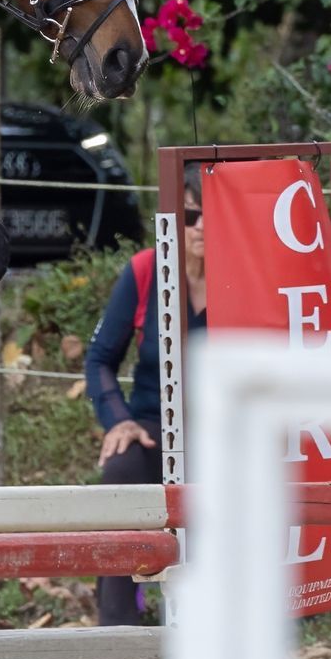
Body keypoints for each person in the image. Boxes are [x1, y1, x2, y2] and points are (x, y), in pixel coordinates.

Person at [84, 168, 207, 625]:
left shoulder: (248, 273)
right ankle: (120, 627)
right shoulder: (145, 269)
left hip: (226, 431)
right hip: (156, 425)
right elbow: (99, 359)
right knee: (121, 474)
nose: (201, 228)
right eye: (191, 216)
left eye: (214, 217)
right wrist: (119, 420)